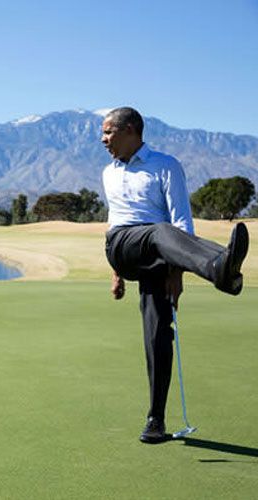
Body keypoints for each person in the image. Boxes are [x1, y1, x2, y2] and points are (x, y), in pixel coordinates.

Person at [101, 107, 249, 443]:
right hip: (122, 245)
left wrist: (176, 275)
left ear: (131, 131)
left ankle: (155, 419)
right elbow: (114, 220)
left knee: (158, 332)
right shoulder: (108, 172)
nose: (103, 139)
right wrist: (116, 273)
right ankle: (218, 268)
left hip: (161, 253)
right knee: (159, 231)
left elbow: (183, 223)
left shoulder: (165, 166)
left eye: (109, 132)